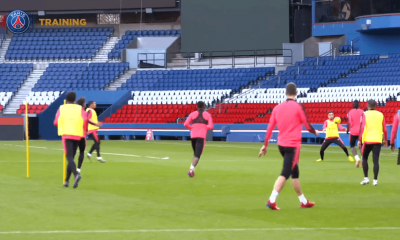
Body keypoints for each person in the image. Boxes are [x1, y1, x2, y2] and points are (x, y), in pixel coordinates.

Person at [260, 82, 318, 210]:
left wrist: (265, 145)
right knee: (285, 173)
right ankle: (272, 199)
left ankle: (303, 201)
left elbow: (269, 128)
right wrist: (315, 132)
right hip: (293, 145)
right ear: (296, 93)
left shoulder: (277, 108)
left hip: (281, 144)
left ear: (286, 93)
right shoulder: (298, 107)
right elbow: (307, 125)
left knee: (295, 173)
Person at [54, 92, 87, 188]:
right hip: (77, 134)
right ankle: (67, 181)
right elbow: (84, 120)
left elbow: (56, 122)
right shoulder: (79, 109)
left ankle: (76, 174)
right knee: (71, 157)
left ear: (67, 99)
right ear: (75, 99)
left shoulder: (62, 108)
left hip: (67, 134)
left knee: (69, 157)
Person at [358, 99, 387, 186]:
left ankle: (366, 178)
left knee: (364, 159)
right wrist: (385, 139)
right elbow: (385, 129)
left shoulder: (364, 114)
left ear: (367, 105)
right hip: (377, 140)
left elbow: (362, 128)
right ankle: (375, 180)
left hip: (367, 140)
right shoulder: (381, 114)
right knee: (376, 160)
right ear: (375, 105)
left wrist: (359, 140)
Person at [183, 101, 213, 178]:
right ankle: (191, 170)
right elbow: (210, 126)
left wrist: (192, 127)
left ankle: (192, 169)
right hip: (201, 136)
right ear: (204, 106)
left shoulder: (192, 114)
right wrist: (203, 127)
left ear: (197, 106)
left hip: (193, 135)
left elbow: (185, 124)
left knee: (195, 153)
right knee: (197, 155)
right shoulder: (207, 115)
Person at [76, 97, 102, 174]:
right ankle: (98, 157)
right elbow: (88, 119)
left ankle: (90, 154)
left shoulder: (91, 110)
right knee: (97, 142)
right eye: (94, 103)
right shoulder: (89, 111)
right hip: (92, 129)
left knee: (97, 142)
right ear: (90, 104)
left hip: (94, 129)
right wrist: (95, 124)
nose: (95, 104)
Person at [347, 100, 364, 167]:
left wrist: (348, 130)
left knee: (352, 146)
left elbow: (349, 122)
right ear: (359, 105)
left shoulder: (350, 112)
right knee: (361, 146)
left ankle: (357, 159)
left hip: (353, 131)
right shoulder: (362, 111)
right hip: (361, 131)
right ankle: (363, 159)